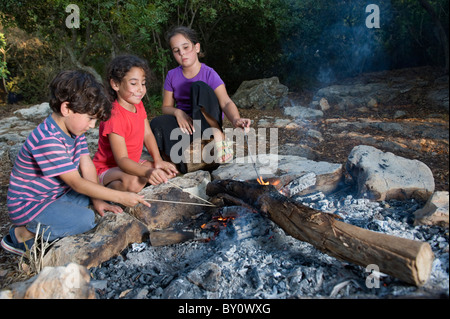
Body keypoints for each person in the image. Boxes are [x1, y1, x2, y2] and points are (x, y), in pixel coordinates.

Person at [1, 70, 151, 256]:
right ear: (66, 109)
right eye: (90, 119)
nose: (92, 126)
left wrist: (98, 200)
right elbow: (76, 182)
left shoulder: (73, 131)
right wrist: (122, 197)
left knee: (92, 196)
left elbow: (87, 165)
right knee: (85, 219)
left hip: (57, 195)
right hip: (32, 205)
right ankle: (23, 234)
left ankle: (60, 218)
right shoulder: (47, 139)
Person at [150, 26, 251, 173]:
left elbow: (226, 102)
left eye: (186, 47)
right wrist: (179, 113)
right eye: (176, 50)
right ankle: (177, 164)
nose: (182, 53)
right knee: (157, 123)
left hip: (207, 124)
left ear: (196, 47)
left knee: (198, 87)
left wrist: (236, 119)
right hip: (187, 125)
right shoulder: (172, 75)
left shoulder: (209, 73)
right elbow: (166, 107)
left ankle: (218, 134)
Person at [93, 55, 178, 192]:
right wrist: (145, 172)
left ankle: (146, 176)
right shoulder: (114, 117)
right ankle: (104, 189)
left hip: (132, 163)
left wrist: (158, 160)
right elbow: (121, 159)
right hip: (108, 168)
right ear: (115, 84)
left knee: (168, 172)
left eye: (143, 83)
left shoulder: (138, 105)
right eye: (134, 84)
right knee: (135, 182)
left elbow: (148, 134)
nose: (140, 89)